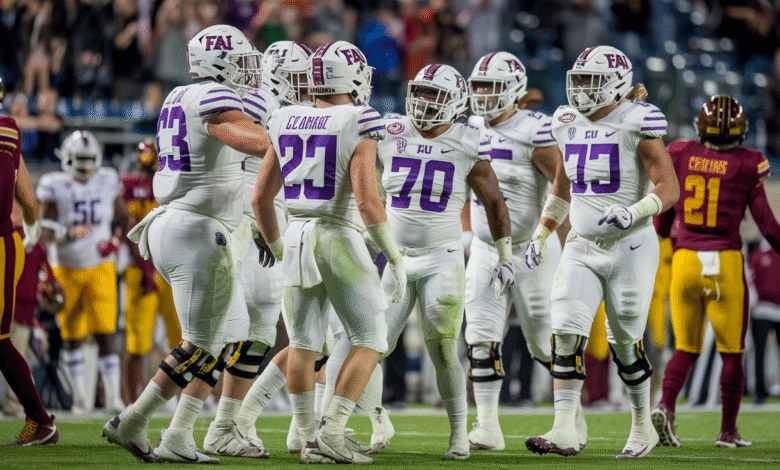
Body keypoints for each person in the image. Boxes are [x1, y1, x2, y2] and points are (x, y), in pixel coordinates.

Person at [102, 24, 270, 464]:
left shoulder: (179, 95)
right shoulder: (214, 98)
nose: (249, 70)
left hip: (180, 224)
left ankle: (176, 434)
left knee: (222, 338)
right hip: (197, 231)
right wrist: (292, 142)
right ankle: (133, 420)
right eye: (241, 61)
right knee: (199, 343)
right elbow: (240, 135)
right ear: (220, 64)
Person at [252, 40, 406, 464]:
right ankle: (332, 431)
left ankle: (306, 437)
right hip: (336, 235)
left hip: (296, 233)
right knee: (371, 339)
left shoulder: (283, 116)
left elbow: (260, 199)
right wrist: (393, 255)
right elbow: (368, 201)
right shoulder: (359, 117)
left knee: (302, 342)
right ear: (352, 77)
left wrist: (278, 246)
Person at [523, 45, 679, 458]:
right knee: (564, 330)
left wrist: (634, 212)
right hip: (581, 244)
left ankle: (642, 425)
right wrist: (541, 232)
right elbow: (562, 187)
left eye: (591, 81)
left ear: (616, 84)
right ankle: (563, 429)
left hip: (631, 245)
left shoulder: (637, 120)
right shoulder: (566, 121)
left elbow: (669, 187)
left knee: (624, 342)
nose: (581, 89)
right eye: (578, 80)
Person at [378, 63, 513, 460]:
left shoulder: (468, 140)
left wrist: (505, 255)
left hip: (442, 258)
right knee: (372, 345)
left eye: (434, 94)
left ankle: (458, 435)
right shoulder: (388, 130)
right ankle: (375, 420)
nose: (424, 101)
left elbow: (494, 202)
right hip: (396, 258)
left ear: (454, 101)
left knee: (441, 348)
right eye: (420, 92)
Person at [651, 95, 780, 448]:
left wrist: (667, 234)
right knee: (732, 351)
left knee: (685, 347)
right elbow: (767, 225)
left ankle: (666, 406)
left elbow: (662, 219)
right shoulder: (748, 162)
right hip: (724, 261)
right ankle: (727, 431)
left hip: (685, 261)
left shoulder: (681, 153)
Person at [463, 51, 567, 451]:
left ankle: (569, 419)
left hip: (530, 249)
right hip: (486, 248)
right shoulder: (470, 127)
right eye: (479, 87)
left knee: (543, 339)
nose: (483, 95)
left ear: (513, 90)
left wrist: (556, 241)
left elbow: (564, 187)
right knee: (480, 335)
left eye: (491, 87)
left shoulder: (535, 130)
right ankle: (487, 425)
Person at [37, 130, 131, 415]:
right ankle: (80, 399)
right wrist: (66, 235)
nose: (85, 165)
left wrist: (115, 240)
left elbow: (123, 217)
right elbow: (43, 229)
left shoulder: (107, 179)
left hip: (100, 267)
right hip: (65, 268)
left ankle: (113, 398)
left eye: (89, 159)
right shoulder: (55, 184)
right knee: (72, 336)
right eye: (80, 158)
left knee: (106, 333)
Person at [0, 75, 58, 447]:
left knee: (1, 339)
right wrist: (32, 227)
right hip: (10, 241)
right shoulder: (9, 129)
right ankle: (39, 420)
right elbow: (29, 201)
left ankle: (40, 420)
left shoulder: (6, 129)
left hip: (1, 242)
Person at [119, 139, 181, 405]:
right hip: (140, 270)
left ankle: (181, 399)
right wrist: (145, 268)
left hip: (170, 268)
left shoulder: (174, 184)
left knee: (184, 341)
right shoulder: (129, 185)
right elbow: (128, 230)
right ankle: (129, 402)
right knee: (137, 344)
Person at [748, 239, 780, 405]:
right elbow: (749, 279)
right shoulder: (757, 255)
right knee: (759, 353)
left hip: (779, 310)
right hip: (761, 310)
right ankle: (760, 392)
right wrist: (754, 302)